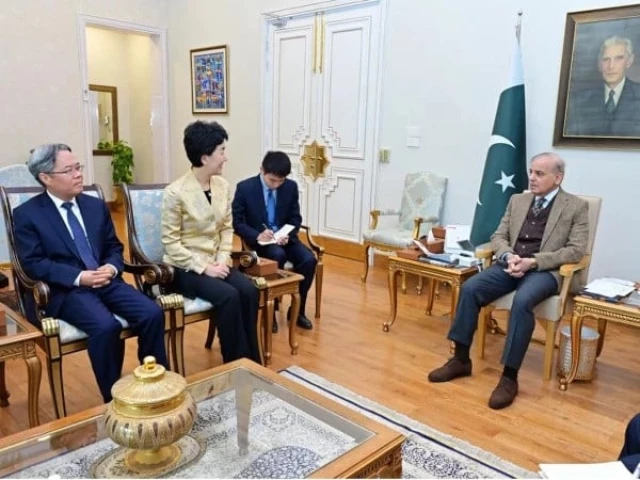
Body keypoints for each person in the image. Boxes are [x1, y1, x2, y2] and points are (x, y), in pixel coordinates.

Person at [428, 152, 589, 410]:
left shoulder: (575, 207)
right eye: (531, 172)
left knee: (522, 301)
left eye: (539, 174)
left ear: (558, 178)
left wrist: (533, 261)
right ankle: (460, 359)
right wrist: (507, 255)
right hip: (510, 264)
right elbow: (498, 235)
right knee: (470, 288)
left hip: (544, 271)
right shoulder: (518, 200)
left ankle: (509, 378)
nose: (532, 178)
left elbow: (575, 250)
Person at [13, 144, 167, 402]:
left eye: (78, 167)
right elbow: (33, 263)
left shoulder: (94, 206)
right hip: (65, 289)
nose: (78, 174)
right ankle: (114, 399)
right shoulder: (27, 215)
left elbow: (113, 246)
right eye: (69, 170)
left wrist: (111, 267)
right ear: (45, 177)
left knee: (151, 313)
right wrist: (78, 277)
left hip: (105, 280)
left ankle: (156, 384)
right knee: (105, 326)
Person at [161, 120, 261, 363]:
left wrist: (222, 260)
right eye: (221, 151)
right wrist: (205, 267)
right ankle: (235, 364)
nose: (225, 157)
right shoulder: (175, 192)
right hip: (185, 268)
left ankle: (253, 363)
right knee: (229, 295)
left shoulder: (222, 186)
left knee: (249, 290)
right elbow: (171, 243)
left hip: (217, 262)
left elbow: (227, 228)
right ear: (205, 157)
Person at [232, 151, 316, 332]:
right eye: (272, 180)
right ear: (262, 170)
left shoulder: (290, 187)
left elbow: (295, 218)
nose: (276, 185)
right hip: (261, 242)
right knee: (277, 255)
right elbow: (237, 223)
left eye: (281, 181)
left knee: (309, 260)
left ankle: (298, 310)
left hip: (285, 239)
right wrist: (257, 235)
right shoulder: (245, 188)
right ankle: (270, 312)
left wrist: (287, 234)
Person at [566, 35, 640, 137]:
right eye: (606, 59)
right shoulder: (578, 101)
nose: (611, 66)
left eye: (618, 59)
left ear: (629, 61)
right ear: (599, 64)